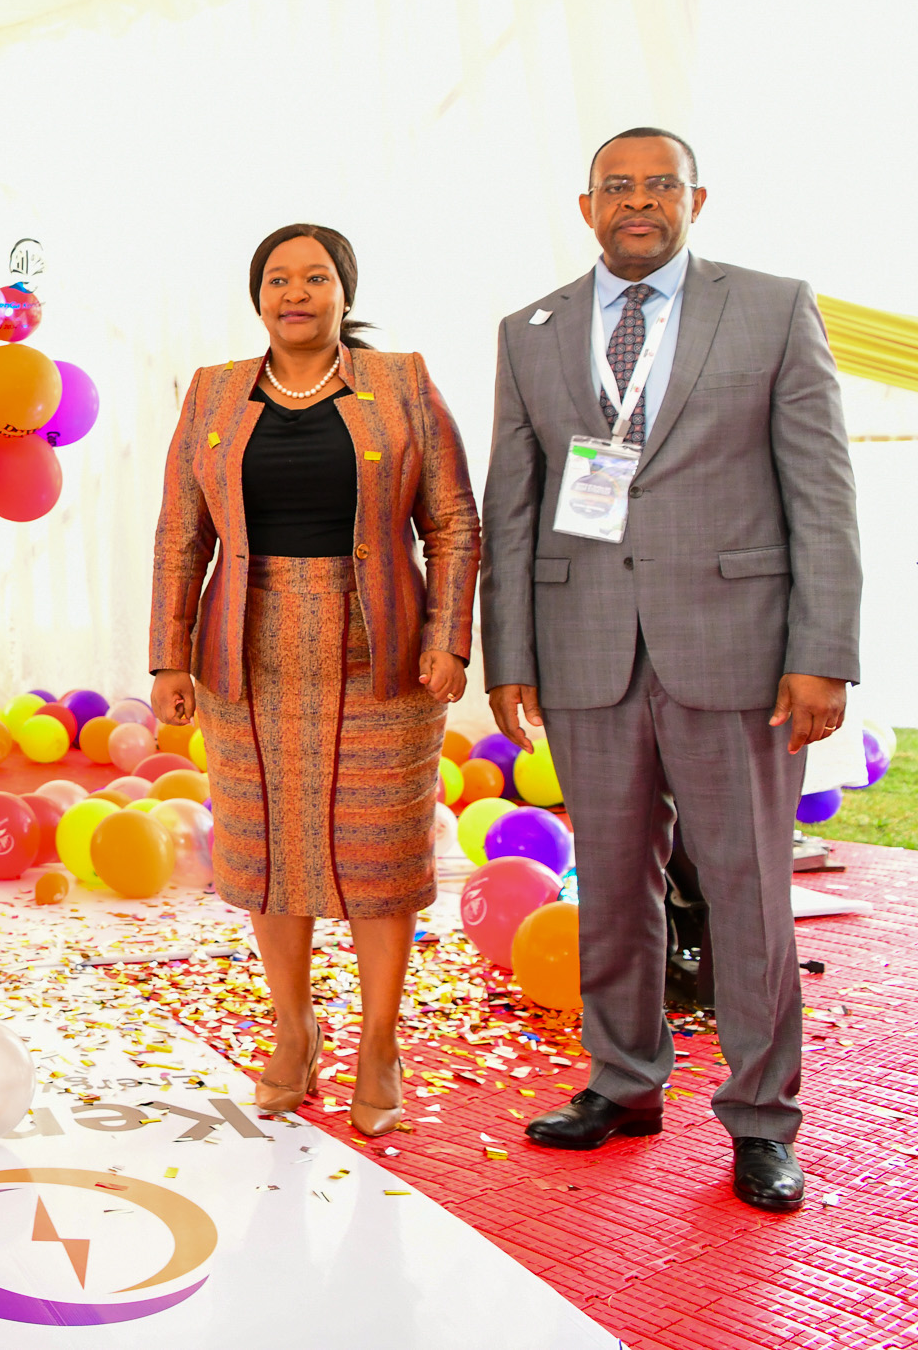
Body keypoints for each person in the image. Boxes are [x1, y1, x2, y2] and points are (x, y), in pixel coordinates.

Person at [481, 127, 860, 1212]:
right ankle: (621, 1081)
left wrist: (820, 651)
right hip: (584, 650)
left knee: (744, 890)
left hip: (736, 647)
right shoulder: (530, 330)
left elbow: (820, 493)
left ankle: (758, 1116)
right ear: (585, 204)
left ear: (696, 197)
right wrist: (508, 651)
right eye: (616, 187)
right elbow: (511, 504)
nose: (636, 202)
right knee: (608, 885)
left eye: (657, 185)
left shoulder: (773, 307)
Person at [150, 224, 480, 1137]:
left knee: (380, 856)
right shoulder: (215, 394)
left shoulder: (400, 383)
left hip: (385, 653)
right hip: (245, 657)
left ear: (345, 292)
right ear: (258, 296)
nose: (297, 293)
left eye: (317, 277)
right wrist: (167, 657)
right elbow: (182, 535)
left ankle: (380, 1042)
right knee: (269, 857)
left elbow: (452, 520)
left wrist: (449, 638)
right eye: (279, 279)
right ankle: (292, 1032)